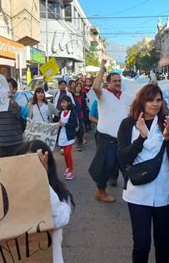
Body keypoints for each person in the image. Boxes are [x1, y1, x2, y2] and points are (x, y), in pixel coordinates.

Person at [0, 140, 74, 263]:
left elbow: (59, 220)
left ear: (47, 166)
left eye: (34, 164)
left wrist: (40, 180)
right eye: (24, 164)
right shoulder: (8, 193)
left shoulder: (59, 195)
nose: (29, 170)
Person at [118, 84, 169, 263]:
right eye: (150, 100)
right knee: (142, 243)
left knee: (163, 242)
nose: (155, 104)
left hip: (164, 192)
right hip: (138, 193)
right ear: (141, 101)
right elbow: (123, 158)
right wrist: (141, 138)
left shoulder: (167, 123)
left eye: (158, 100)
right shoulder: (127, 124)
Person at [89, 59, 135, 202]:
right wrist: (102, 68)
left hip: (123, 140)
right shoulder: (103, 95)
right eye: (114, 81)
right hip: (106, 138)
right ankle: (100, 191)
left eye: (119, 80)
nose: (117, 83)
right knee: (106, 166)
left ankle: (133, 192)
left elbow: (141, 100)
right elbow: (95, 87)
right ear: (108, 82)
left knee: (126, 166)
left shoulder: (127, 96)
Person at [58, 96, 78, 180]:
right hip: (62, 136)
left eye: (64, 102)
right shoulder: (61, 112)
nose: (62, 104)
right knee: (65, 154)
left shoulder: (72, 112)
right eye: (62, 102)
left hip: (69, 136)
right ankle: (68, 168)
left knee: (68, 153)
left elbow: (75, 124)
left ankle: (71, 171)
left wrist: (65, 124)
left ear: (69, 103)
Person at [73, 81, 88, 151]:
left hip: (82, 114)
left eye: (80, 86)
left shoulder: (83, 94)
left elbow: (87, 103)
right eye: (77, 86)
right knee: (76, 128)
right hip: (74, 114)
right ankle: (79, 140)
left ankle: (80, 143)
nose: (78, 88)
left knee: (81, 128)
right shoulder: (72, 95)